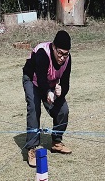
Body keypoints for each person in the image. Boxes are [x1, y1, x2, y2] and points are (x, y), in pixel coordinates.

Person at [22, 30, 73, 167]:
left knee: (63, 110)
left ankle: (56, 142)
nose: (62, 57)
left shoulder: (67, 60)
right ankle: (31, 149)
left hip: (49, 83)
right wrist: (47, 92)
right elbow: (40, 76)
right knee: (34, 108)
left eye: (65, 54)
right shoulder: (42, 53)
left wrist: (61, 91)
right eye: (60, 53)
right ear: (54, 47)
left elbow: (66, 82)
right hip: (32, 80)